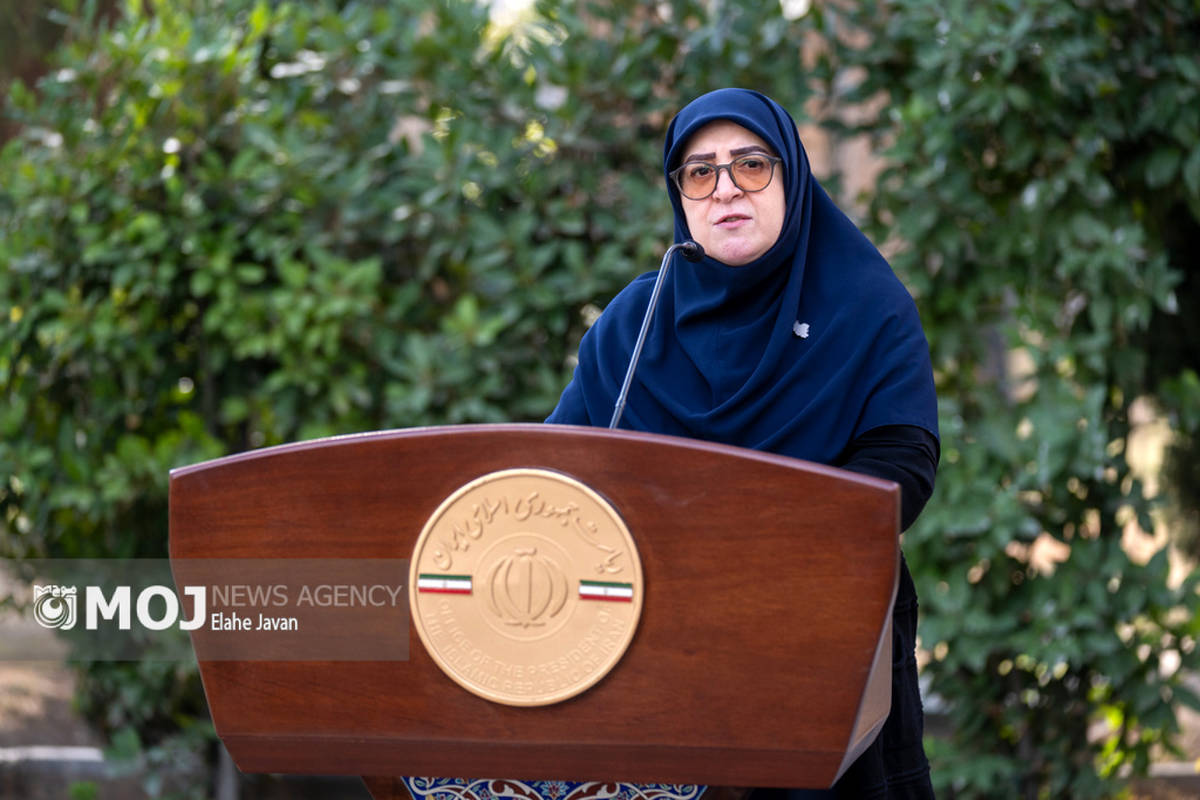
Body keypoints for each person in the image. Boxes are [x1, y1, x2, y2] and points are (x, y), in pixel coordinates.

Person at [545, 88, 940, 799]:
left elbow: (902, 464)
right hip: (653, 653)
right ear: (680, 195)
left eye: (751, 165)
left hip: (824, 643)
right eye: (700, 172)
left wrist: (757, 548)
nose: (725, 189)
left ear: (791, 176)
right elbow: (552, 472)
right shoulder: (634, 322)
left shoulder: (867, 306)